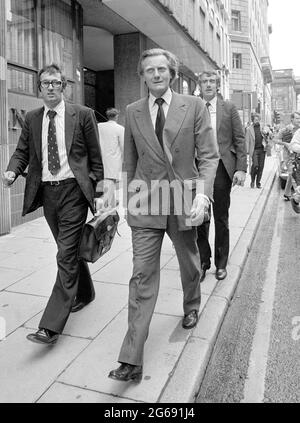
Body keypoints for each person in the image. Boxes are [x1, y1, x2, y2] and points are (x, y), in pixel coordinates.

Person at [108, 48, 219, 382]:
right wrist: (126, 199)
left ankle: (191, 305)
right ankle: (131, 358)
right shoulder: (132, 110)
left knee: (189, 260)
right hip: (146, 202)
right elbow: (129, 159)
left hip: (183, 198)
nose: (155, 75)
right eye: (148, 70)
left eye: (161, 69)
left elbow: (209, 156)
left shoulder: (194, 105)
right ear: (142, 75)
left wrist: (203, 194)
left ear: (171, 73)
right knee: (142, 274)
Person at [3, 63, 105, 345]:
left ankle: (51, 325)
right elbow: (22, 152)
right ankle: (85, 292)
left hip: (74, 191)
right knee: (67, 249)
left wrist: (99, 189)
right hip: (48, 194)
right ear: (39, 88)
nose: (51, 87)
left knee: (64, 255)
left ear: (63, 87)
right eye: (46, 83)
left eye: (56, 83)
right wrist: (12, 170)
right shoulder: (33, 118)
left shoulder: (82, 115)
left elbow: (95, 156)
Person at [196, 70, 247, 283]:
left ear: (217, 85)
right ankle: (203, 262)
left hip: (221, 169)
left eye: (212, 81)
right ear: (199, 85)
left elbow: (240, 139)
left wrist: (241, 168)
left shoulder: (229, 108)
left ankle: (221, 263)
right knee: (199, 218)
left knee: (220, 218)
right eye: (205, 81)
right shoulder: (192, 106)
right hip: (197, 169)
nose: (208, 84)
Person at [275, 111, 300, 200]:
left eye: (299, 118)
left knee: (291, 174)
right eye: (297, 118)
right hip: (289, 156)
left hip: (298, 156)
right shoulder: (285, 130)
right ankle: (297, 196)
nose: (299, 120)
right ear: (292, 119)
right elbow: (276, 140)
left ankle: (286, 193)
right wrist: (285, 143)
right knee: (294, 174)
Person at [98, 108, 124, 182]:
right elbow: (123, 146)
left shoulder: (99, 126)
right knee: (112, 185)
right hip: (114, 160)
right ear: (116, 116)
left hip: (102, 159)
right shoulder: (120, 128)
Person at [245, 113, 268, 189]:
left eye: (258, 119)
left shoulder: (263, 127)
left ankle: (258, 183)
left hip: (262, 150)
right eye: (255, 120)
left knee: (261, 167)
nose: (257, 121)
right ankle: (252, 181)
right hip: (254, 150)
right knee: (255, 165)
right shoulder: (249, 129)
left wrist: (266, 133)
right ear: (253, 120)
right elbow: (247, 141)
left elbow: (270, 135)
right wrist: (247, 151)